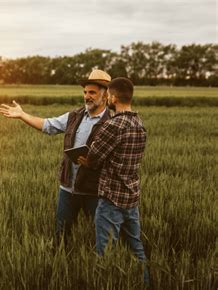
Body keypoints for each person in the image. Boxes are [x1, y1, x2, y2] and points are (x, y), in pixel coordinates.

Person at [0, 69, 111, 241]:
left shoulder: (113, 121)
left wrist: (94, 162)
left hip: (94, 191)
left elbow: (121, 158)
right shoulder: (75, 116)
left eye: (92, 92)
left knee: (100, 237)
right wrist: (22, 115)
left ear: (105, 95)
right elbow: (48, 125)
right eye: (85, 92)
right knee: (61, 235)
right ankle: (60, 261)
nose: (87, 96)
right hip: (68, 188)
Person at [78, 77, 149, 284]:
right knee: (136, 248)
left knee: (105, 253)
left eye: (108, 95)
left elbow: (94, 159)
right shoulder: (139, 123)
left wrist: (86, 160)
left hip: (111, 198)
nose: (107, 98)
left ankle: (105, 284)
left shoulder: (113, 125)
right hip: (131, 197)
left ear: (113, 97)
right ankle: (146, 282)